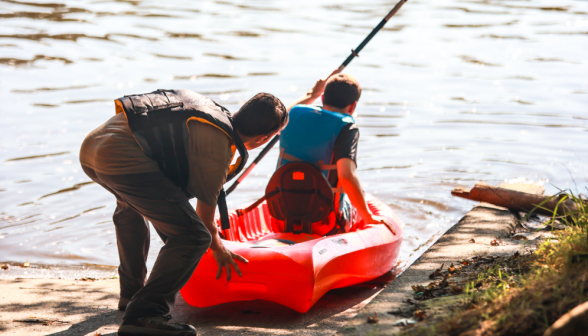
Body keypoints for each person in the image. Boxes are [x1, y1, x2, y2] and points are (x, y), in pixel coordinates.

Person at [79, 89, 287, 336]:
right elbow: (205, 223)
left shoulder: (211, 113)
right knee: (193, 237)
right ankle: (145, 315)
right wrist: (220, 250)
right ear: (264, 139)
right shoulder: (218, 147)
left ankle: (132, 295)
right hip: (122, 159)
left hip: (93, 148)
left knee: (131, 209)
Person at [278, 71, 393, 235]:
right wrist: (368, 217)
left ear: (323, 98)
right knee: (358, 199)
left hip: (281, 215)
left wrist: (312, 94)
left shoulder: (292, 114)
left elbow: (282, 113)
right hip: (324, 222)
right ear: (353, 106)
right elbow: (346, 176)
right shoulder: (347, 127)